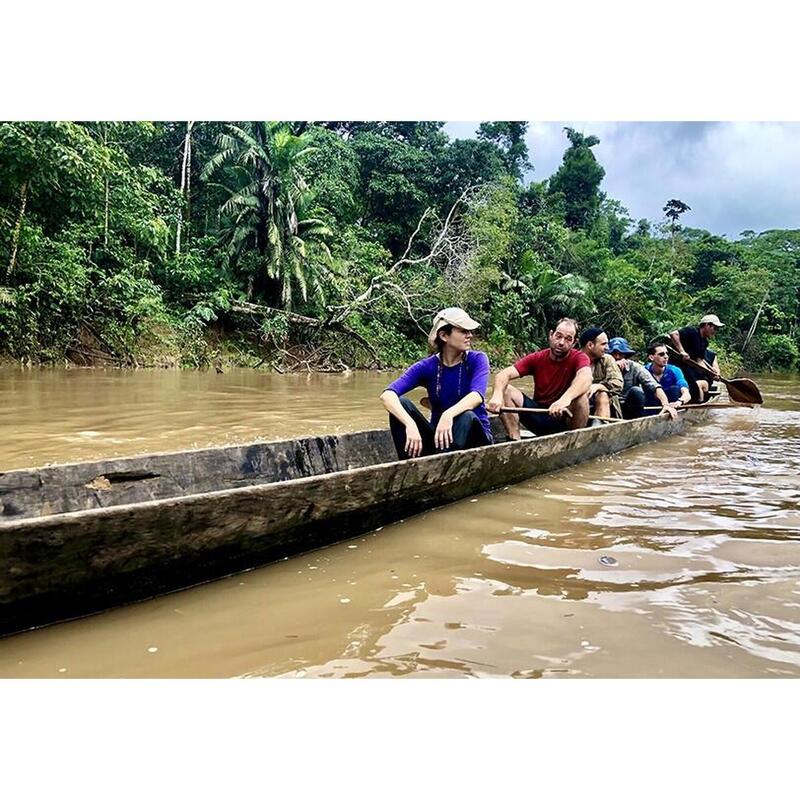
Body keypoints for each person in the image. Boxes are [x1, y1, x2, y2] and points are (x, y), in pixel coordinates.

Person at [380, 307, 493, 459]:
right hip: (441, 440)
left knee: (466, 416)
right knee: (401, 403)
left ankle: (443, 466)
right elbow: (387, 396)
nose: (470, 335)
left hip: (476, 439)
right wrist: (409, 424)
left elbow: (476, 396)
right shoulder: (427, 367)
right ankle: (409, 466)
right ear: (444, 336)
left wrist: (448, 414)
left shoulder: (477, 359)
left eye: (469, 331)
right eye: (463, 331)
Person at [487, 317, 591, 439]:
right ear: (551, 335)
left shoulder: (579, 357)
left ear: (574, 343)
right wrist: (497, 396)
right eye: (558, 336)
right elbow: (503, 375)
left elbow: (586, 377)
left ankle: (575, 440)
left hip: (565, 419)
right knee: (506, 390)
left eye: (568, 339)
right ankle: (514, 440)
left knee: (582, 397)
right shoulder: (537, 358)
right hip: (539, 415)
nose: (562, 342)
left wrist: (564, 400)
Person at [607, 337, 678, 420]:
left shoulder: (635, 367)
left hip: (627, 407)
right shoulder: (603, 366)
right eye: (614, 354)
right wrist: (614, 367)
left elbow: (654, 386)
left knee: (636, 391)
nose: (617, 356)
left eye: (620, 354)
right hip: (609, 405)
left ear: (626, 355)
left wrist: (665, 404)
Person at [669, 314, 723, 402]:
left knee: (701, 383)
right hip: (676, 365)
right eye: (714, 328)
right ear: (707, 325)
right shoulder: (692, 331)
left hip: (688, 367)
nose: (715, 331)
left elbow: (700, 361)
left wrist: (711, 373)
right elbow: (673, 334)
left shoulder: (704, 342)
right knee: (692, 386)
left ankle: (698, 401)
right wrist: (682, 351)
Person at [578, 326, 623, 420]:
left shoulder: (607, 359)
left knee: (602, 394)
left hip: (607, 408)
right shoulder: (574, 360)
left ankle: (600, 430)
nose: (607, 348)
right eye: (603, 344)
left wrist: (598, 387)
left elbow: (618, 383)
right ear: (590, 345)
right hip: (578, 407)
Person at [645, 341, 692, 406]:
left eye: (667, 354)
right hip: (651, 404)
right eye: (661, 354)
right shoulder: (644, 371)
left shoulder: (674, 370)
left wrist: (679, 402)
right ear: (651, 357)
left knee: (674, 389)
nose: (666, 356)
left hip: (672, 404)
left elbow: (686, 393)